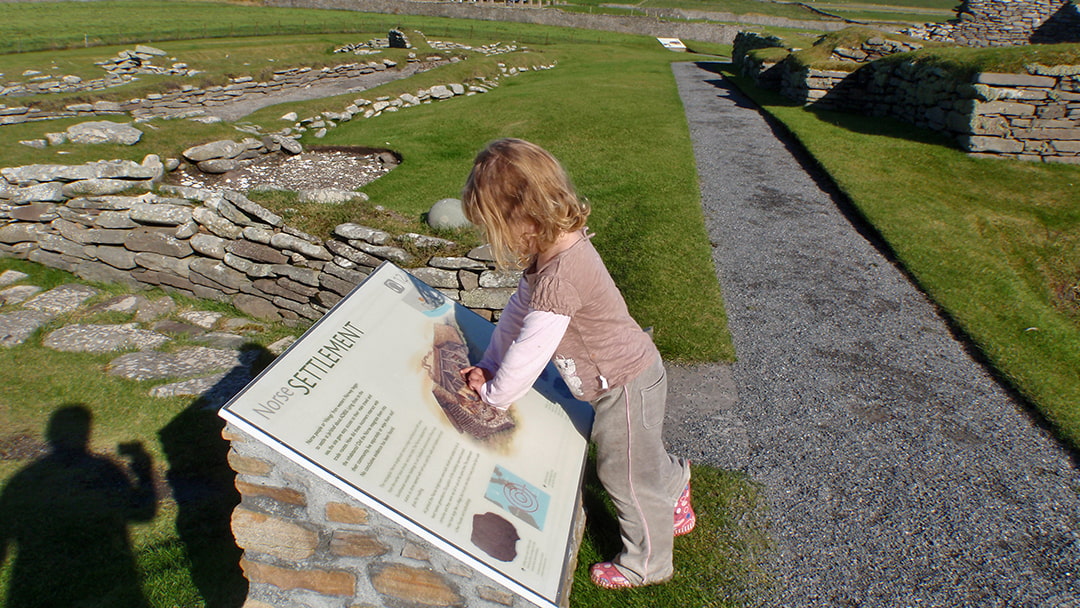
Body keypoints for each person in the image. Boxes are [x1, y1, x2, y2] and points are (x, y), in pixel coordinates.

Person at [458, 138, 696, 589]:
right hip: (633, 375)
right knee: (638, 458)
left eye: (497, 227)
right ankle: (674, 484)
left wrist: (495, 394)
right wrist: (489, 363)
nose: (499, 240)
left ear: (521, 215)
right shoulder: (553, 253)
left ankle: (647, 564)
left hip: (623, 386)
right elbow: (515, 315)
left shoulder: (560, 277)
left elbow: (531, 349)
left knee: (623, 474)